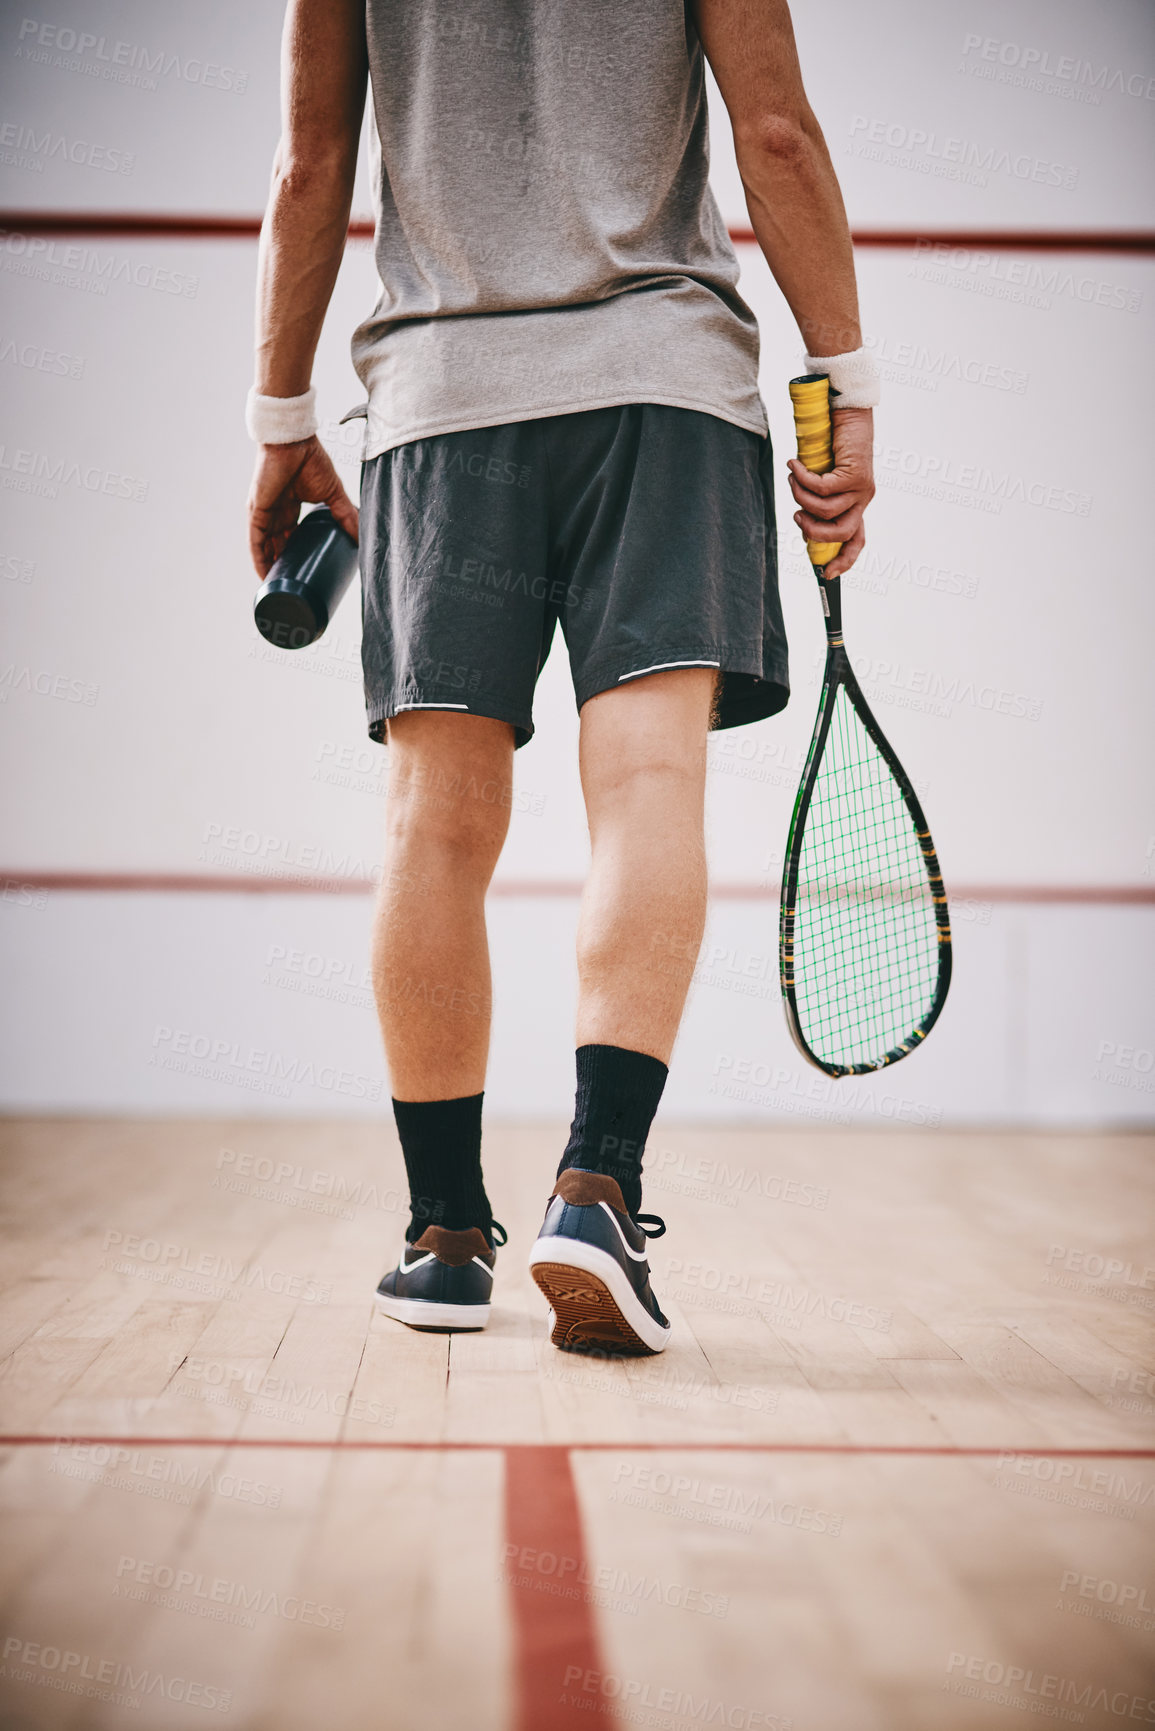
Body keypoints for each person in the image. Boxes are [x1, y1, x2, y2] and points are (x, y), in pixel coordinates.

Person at [245, 0, 877, 1355]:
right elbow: (773, 128)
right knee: (649, 782)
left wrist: (280, 418)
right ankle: (596, 1187)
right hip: (661, 386)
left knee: (435, 816)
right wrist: (848, 379)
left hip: (441, 397)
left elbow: (309, 169)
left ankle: (443, 1240)